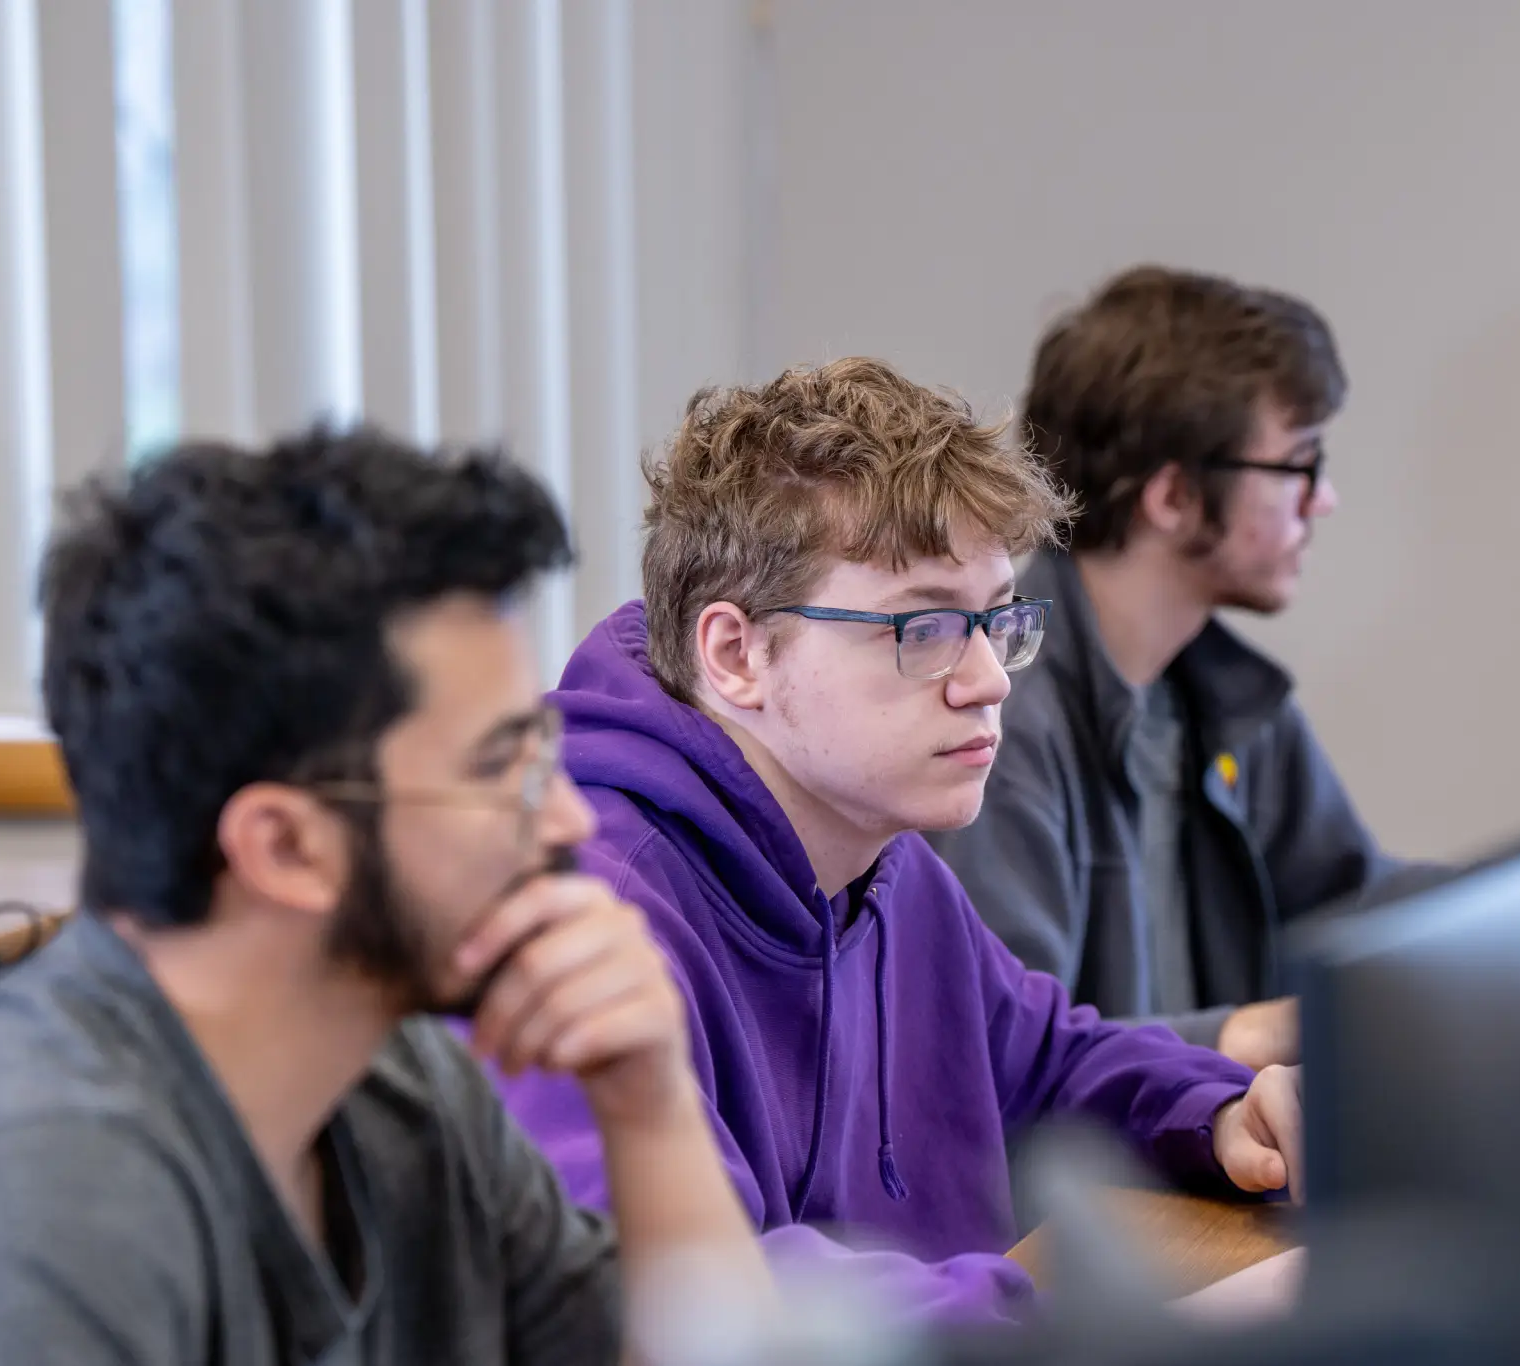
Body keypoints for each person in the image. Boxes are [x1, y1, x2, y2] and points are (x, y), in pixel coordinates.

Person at [0, 429, 770, 1365]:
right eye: (503, 767)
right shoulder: (29, 1218)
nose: (569, 825)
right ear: (284, 845)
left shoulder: (396, 1087)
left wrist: (651, 1105)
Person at [480, 359, 1304, 1326]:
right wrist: (1109, 1327)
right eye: (924, 626)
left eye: (997, 621)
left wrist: (1216, 1114)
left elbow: (1044, 1061)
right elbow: (693, 1297)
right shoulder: (587, 913)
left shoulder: (881, 852)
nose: (989, 679)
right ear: (735, 654)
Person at [930, 265, 1417, 1072]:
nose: (1322, 500)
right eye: (1298, 465)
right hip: (1090, 1194)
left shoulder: (1215, 691)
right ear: (1173, 498)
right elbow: (1005, 1054)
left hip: (1201, 1162)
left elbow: (1353, 903)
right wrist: (1243, 1037)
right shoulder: (1007, 717)